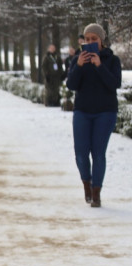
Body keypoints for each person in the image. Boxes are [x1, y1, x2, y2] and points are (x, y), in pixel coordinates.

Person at [66, 23, 122, 207]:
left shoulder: (112, 60)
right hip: (82, 111)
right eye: (87, 39)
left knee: (98, 154)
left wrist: (99, 66)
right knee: (81, 154)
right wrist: (79, 66)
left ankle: (96, 193)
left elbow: (114, 84)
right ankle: (86, 184)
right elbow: (72, 85)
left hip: (105, 112)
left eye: (94, 39)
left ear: (101, 40)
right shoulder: (77, 60)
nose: (90, 43)